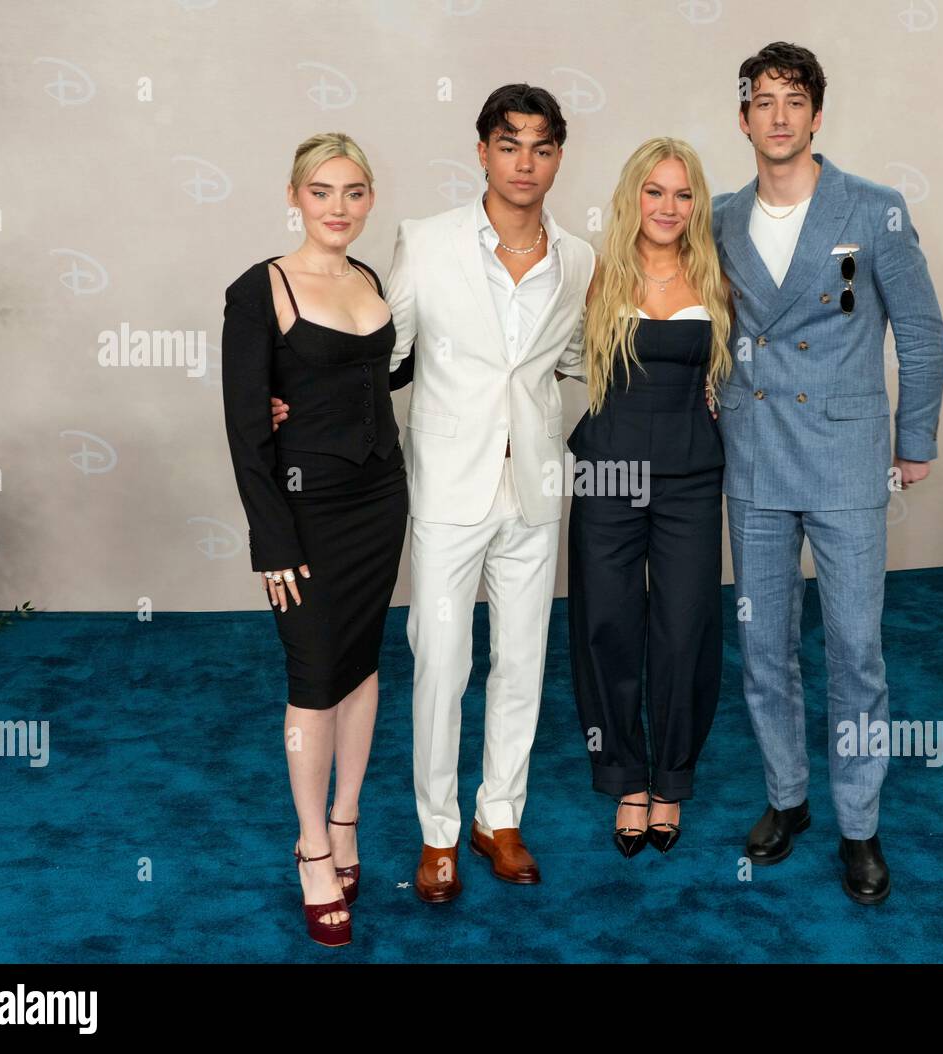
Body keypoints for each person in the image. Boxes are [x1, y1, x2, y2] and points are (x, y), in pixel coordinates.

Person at [271, 86, 593, 903]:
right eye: (509, 143)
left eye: (543, 146)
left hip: (535, 489)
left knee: (522, 662)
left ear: (559, 156)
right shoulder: (428, 241)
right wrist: (294, 403)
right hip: (447, 488)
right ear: (482, 149)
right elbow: (379, 354)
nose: (526, 162)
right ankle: (439, 832)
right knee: (444, 665)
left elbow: (582, 358)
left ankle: (501, 817)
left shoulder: (582, 258)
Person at [711, 42, 943, 904]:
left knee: (855, 649)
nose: (778, 114)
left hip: (848, 459)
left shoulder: (875, 209)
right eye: (762, 100)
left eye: (794, 99)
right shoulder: (721, 218)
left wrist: (913, 438)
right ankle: (787, 798)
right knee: (764, 647)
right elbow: (704, 328)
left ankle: (859, 822)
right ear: (743, 119)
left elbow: (920, 330)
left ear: (817, 114)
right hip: (756, 459)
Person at [221, 132, 412, 946]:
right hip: (304, 511)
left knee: (361, 664)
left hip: (379, 497)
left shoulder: (369, 277)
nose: (339, 207)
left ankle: (346, 821)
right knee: (313, 675)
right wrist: (271, 542)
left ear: (370, 199)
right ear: (296, 196)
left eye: (355, 192)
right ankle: (309, 849)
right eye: (324, 191)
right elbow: (242, 425)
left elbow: (381, 370)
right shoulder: (258, 288)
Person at [566, 138, 732, 857]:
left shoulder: (718, 278)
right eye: (655, 191)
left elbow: (763, 364)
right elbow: (533, 355)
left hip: (693, 474)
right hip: (608, 469)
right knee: (605, 622)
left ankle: (670, 779)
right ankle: (624, 777)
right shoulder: (596, 273)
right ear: (633, 196)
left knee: (684, 627)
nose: (668, 207)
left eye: (683, 193)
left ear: (697, 204)